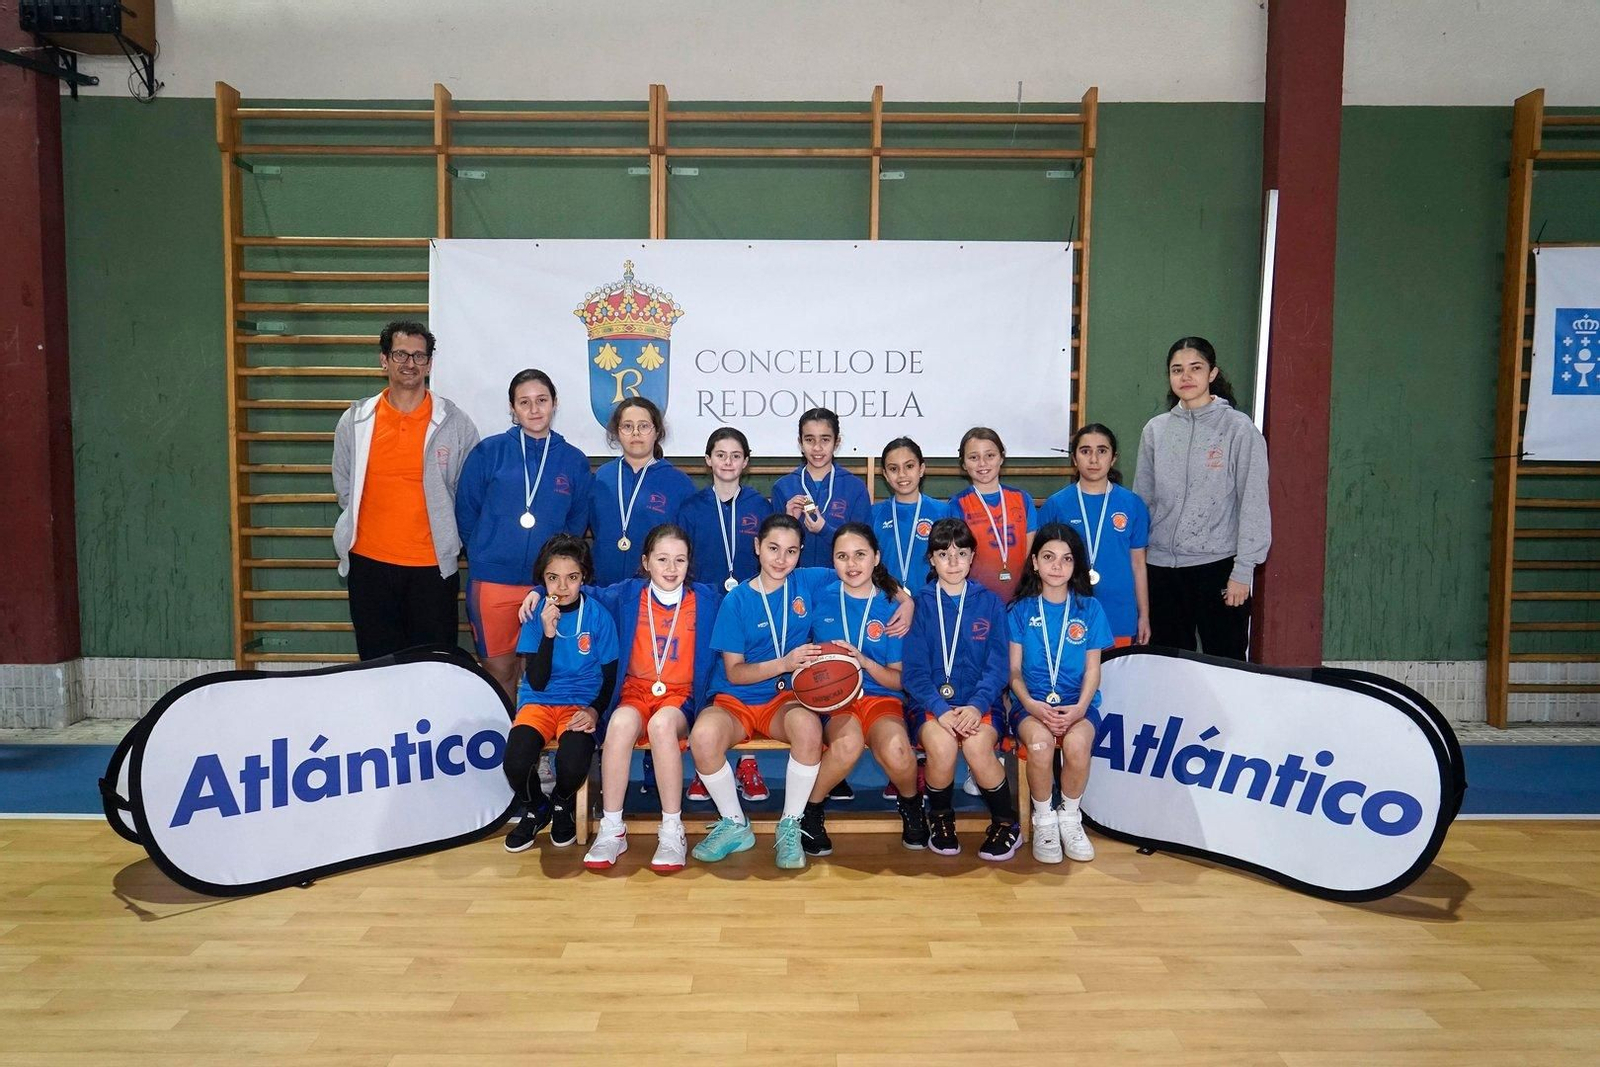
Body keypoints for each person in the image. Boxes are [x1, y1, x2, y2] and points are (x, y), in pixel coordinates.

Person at [686, 514, 830, 870]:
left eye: (792, 551)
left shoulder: (808, 582)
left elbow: (860, 572)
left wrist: (902, 600)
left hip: (784, 699)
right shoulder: (736, 601)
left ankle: (791, 825)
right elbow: (735, 673)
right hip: (737, 700)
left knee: (810, 730)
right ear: (757, 547)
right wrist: (785, 662)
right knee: (703, 738)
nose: (781, 559)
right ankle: (735, 824)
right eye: (773, 549)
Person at [574, 525, 721, 873]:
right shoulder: (626, 596)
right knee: (621, 723)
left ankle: (672, 828)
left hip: (680, 697)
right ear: (646, 562)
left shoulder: (707, 599)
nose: (671, 568)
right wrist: (539, 592)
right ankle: (613, 827)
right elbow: (579, 591)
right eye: (662, 559)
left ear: (690, 563)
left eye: (680, 560)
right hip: (636, 692)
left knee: (661, 725)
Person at [332, 321, 480, 660]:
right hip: (369, 566)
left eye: (418, 356)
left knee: (433, 667)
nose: (409, 363)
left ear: (429, 364)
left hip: (432, 568)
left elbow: (468, 492)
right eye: (400, 354)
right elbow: (344, 487)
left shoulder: (455, 423)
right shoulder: (355, 421)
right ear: (384, 360)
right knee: (377, 666)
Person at [454, 369, 592, 698]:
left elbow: (576, 526)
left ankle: (538, 748)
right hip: (493, 583)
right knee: (499, 671)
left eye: (541, 400)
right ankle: (506, 746)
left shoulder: (573, 460)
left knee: (544, 670)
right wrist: (485, 552)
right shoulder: (490, 452)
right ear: (512, 408)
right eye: (524, 402)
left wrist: (554, 574)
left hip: (548, 586)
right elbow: (466, 510)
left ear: (554, 403)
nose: (534, 409)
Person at [1133, 337, 1271, 660]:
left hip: (1218, 569)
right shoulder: (1155, 430)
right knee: (1166, 669)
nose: (1186, 377)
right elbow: (1144, 501)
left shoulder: (1238, 429)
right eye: (1177, 370)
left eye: (1195, 368)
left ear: (1212, 374)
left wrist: (1243, 571)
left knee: (1226, 667)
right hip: (1162, 571)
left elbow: (1253, 501)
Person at [799, 523, 927, 856]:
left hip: (879, 694)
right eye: (842, 556)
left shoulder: (892, 607)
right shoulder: (820, 591)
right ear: (832, 562)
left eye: (860, 555)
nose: (852, 564)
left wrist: (864, 663)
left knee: (899, 750)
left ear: (876, 558)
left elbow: (900, 681)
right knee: (846, 746)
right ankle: (809, 812)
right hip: (834, 698)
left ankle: (911, 805)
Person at [901, 518, 1019, 860]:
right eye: (943, 554)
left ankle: (1006, 823)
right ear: (931, 560)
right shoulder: (919, 605)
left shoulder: (991, 603)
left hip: (980, 703)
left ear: (972, 558)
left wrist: (976, 705)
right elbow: (914, 672)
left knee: (978, 747)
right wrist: (940, 710)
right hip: (931, 702)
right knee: (941, 746)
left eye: (960, 553)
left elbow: (998, 666)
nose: (952, 562)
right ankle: (940, 818)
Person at [502, 536, 620, 853]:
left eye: (572, 577)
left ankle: (561, 803)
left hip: (580, 705)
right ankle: (537, 807)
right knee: (515, 762)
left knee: (572, 764)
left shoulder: (598, 616)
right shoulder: (536, 616)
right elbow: (537, 682)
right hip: (539, 702)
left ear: (584, 578)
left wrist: (595, 710)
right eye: (553, 578)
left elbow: (610, 675)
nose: (562, 586)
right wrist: (548, 634)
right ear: (543, 579)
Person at [675, 426, 773, 805]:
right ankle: (706, 765)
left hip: (749, 606)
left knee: (747, 677)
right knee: (706, 678)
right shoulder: (691, 509)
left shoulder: (759, 507)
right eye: (720, 454)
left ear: (745, 462)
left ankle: (748, 761)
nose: (728, 462)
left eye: (735, 456)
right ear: (708, 460)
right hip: (705, 603)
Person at [1007, 523, 1111, 865]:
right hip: (1031, 705)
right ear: (1034, 562)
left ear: (1075, 565)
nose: (1057, 566)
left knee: (1078, 745)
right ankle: (1044, 819)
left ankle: (1069, 816)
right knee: (1038, 745)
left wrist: (1081, 707)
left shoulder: (1090, 609)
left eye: (1066, 559)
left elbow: (1094, 670)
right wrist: (1031, 705)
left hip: (1077, 705)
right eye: (1048, 557)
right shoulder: (1020, 610)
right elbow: (1014, 673)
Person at [1039, 423, 1151, 647]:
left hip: (1119, 613)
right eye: (1085, 451)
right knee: (1072, 679)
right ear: (1074, 458)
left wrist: (1144, 615)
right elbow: (1041, 564)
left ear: (1113, 458)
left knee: (1115, 680)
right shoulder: (1056, 505)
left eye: (1102, 451)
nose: (1093, 459)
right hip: (1068, 609)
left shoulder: (1132, 504)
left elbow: (1138, 564)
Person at [588, 397, 696, 586]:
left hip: (654, 591)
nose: (636, 433)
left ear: (657, 432)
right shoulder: (602, 477)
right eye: (627, 426)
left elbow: (685, 543)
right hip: (603, 587)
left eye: (644, 426)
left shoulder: (679, 483)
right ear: (617, 432)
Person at [771, 407, 870, 570]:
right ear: (800, 442)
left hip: (842, 583)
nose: (817, 448)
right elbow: (773, 548)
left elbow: (864, 546)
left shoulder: (855, 488)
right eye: (809, 440)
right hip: (795, 582)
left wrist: (825, 530)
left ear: (836, 442)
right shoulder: (783, 487)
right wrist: (789, 523)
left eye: (825, 440)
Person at [949, 427, 1037, 600]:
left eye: (990, 455)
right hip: (976, 599)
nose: (982, 463)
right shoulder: (958, 504)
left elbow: (1029, 552)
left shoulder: (1022, 499)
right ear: (964, 464)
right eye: (974, 457)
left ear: (1001, 457)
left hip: (1020, 596)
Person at [871, 436, 951, 597]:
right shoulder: (874, 513)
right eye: (893, 469)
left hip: (933, 602)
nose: (902, 474)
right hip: (887, 600)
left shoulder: (943, 511)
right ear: (885, 474)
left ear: (921, 469)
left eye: (909, 466)